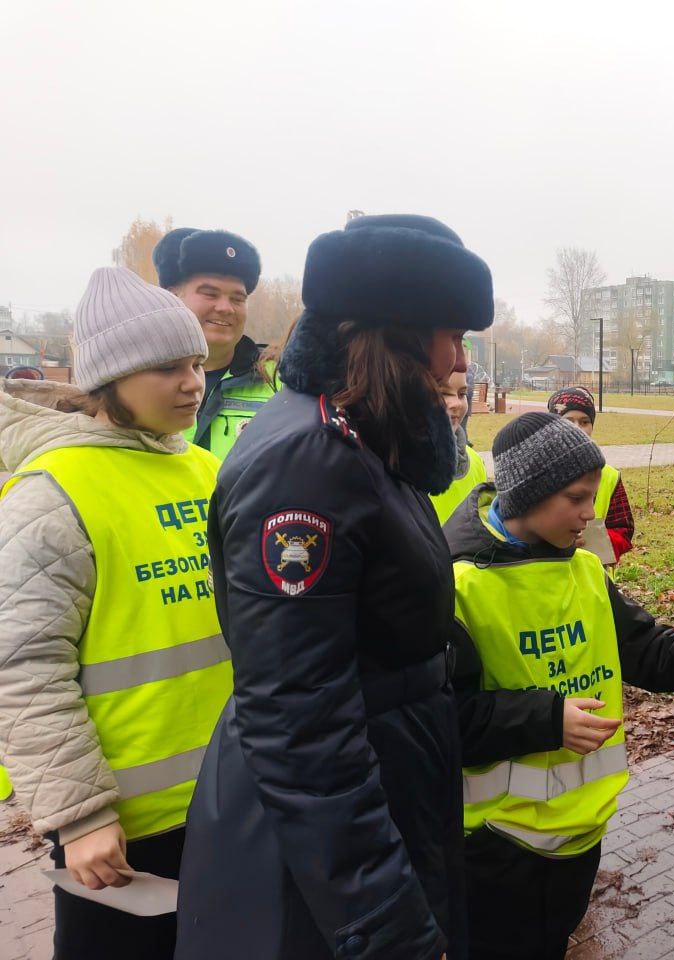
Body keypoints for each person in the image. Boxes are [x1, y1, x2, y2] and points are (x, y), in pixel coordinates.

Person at [175, 214, 493, 960]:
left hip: (388, 784)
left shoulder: (368, 440)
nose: (458, 361)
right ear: (394, 335)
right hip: (327, 849)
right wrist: (383, 919)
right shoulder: (312, 461)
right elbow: (299, 719)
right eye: (450, 335)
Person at [444, 411, 674, 960]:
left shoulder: (584, 570)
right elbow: (442, 719)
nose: (590, 513)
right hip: (495, 852)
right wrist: (547, 720)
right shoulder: (459, 588)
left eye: (592, 496)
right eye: (576, 498)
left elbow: (651, 651)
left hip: (581, 841)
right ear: (528, 495)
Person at [0, 267, 228, 957]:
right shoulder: (51, 493)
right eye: (167, 368)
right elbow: (23, 669)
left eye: (196, 364)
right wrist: (80, 816)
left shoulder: (207, 471)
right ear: (109, 379)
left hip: (229, 799)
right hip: (121, 832)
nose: (192, 383)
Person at [153, 226, 276, 458]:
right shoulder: (137, 381)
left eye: (237, 298)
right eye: (210, 294)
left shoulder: (279, 380)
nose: (225, 308)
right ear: (173, 296)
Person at [546, 387, 635, 563]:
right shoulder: (535, 472)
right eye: (568, 421)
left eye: (584, 422)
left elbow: (623, 530)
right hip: (547, 572)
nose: (577, 428)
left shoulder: (609, 476)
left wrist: (597, 544)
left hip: (594, 575)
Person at [430, 368, 488, 524]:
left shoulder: (474, 461)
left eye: (462, 394)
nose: (456, 403)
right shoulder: (388, 469)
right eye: (442, 393)